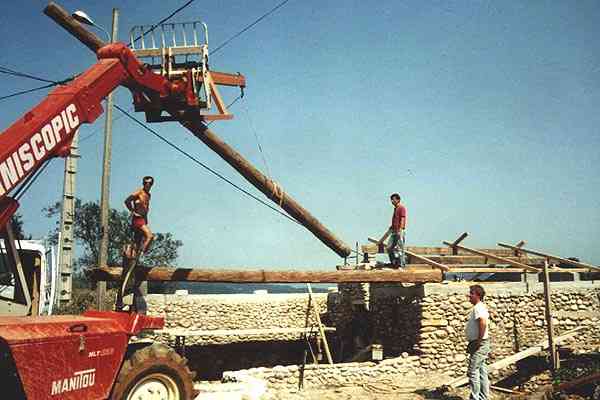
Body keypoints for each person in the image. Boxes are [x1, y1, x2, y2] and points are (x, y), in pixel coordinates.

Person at [465, 284, 491, 400]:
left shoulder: (478, 308)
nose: (469, 295)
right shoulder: (479, 307)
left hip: (479, 343)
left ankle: (476, 398)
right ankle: (483, 397)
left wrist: (478, 341)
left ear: (478, 295)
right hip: (479, 342)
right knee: (481, 371)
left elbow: (483, 323)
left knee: (473, 371)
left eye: (471, 293)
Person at [124, 176, 155, 255]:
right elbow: (127, 201)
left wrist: (146, 219)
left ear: (152, 184)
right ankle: (142, 252)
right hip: (138, 219)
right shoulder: (139, 192)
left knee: (137, 242)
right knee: (150, 236)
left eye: (150, 183)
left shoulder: (148, 195)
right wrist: (132, 211)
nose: (148, 185)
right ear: (143, 183)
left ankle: (133, 259)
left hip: (143, 219)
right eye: (146, 183)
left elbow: (145, 207)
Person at [377, 193, 407, 268]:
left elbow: (403, 219)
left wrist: (401, 229)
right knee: (389, 248)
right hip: (394, 231)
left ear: (398, 200)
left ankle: (401, 264)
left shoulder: (401, 208)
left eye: (393, 199)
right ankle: (394, 262)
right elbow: (395, 221)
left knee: (400, 249)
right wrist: (391, 228)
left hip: (399, 231)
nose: (392, 201)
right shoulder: (395, 209)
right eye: (391, 200)